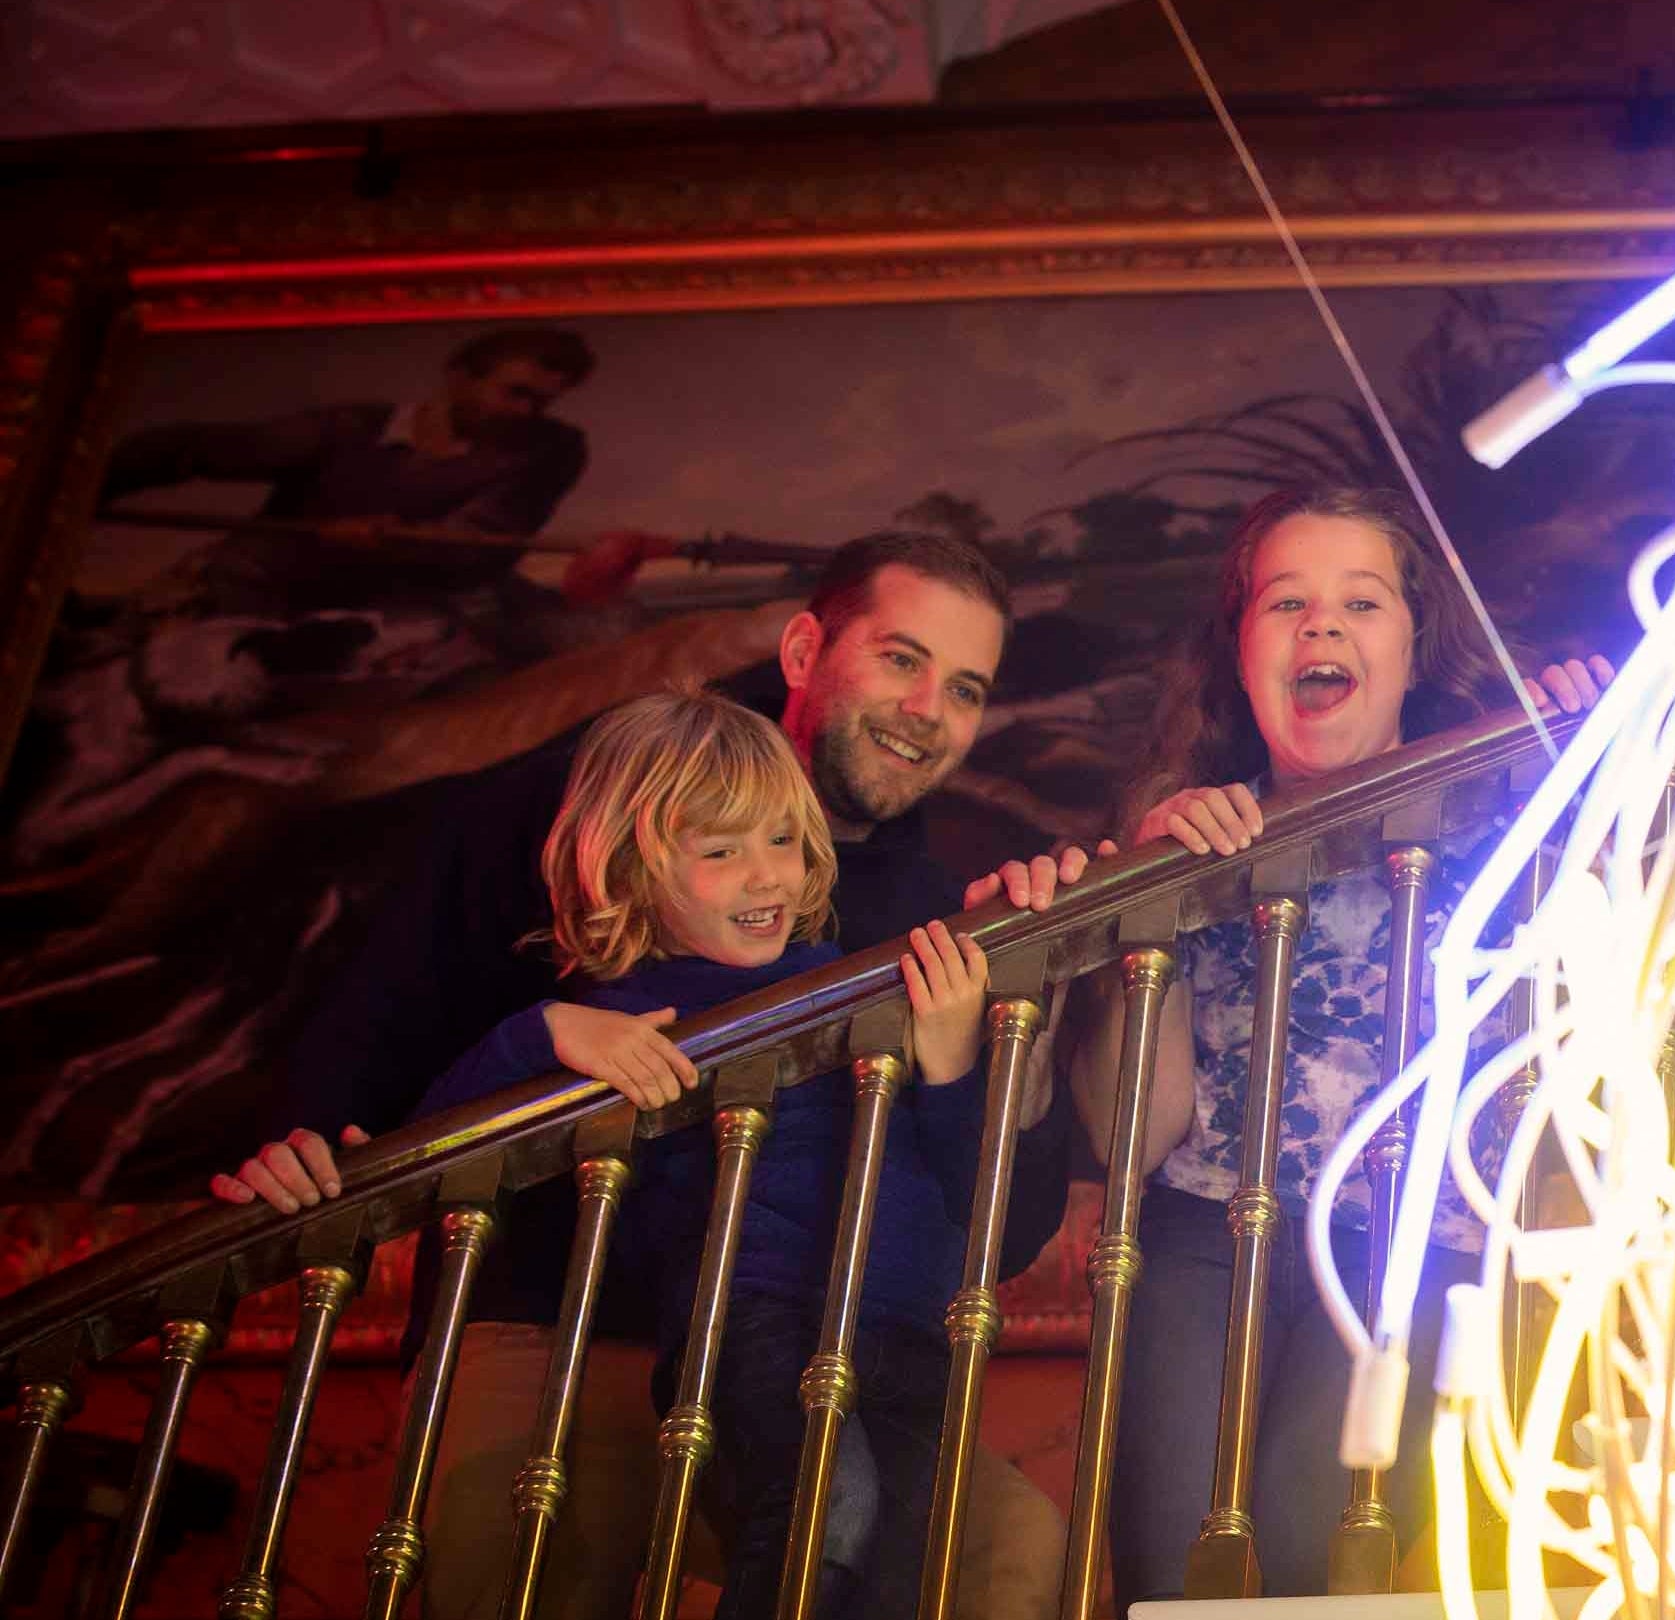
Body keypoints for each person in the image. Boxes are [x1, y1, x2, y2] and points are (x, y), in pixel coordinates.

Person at [213, 528, 1087, 1620]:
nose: (927, 709)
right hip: (556, 1323)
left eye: (964, 688)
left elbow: (995, 1227)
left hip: (804, 1345)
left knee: (1001, 1549)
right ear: (806, 647)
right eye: (901, 660)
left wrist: (1017, 1036)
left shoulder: (940, 915)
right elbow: (381, 1025)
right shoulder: (581, 794)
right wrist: (313, 1135)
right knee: (513, 1560)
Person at [1051, 486, 1609, 1604]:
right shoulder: (1193, 830)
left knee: (1315, 1549)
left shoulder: (1504, 813)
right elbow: (1133, 1131)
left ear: (1411, 647)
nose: (1321, 627)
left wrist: (1608, 790)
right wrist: (1153, 907)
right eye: (1285, 603)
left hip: (1416, 1240)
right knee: (1172, 1579)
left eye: (1361, 601)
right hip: (1204, 1232)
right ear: (1244, 651)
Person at [408, 690, 1010, 1620]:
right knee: (826, 1513)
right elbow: (434, 1155)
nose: (766, 876)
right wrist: (546, 1032)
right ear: (630, 872)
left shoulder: (860, 978)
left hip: (907, 1321)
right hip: (755, 1318)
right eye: (721, 853)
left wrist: (954, 1060)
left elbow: (967, 1180)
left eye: (781, 839)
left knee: (903, 1566)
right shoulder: (636, 1011)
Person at [99, 325, 603, 620]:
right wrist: (91, 490)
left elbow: (476, 546)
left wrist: (392, 539)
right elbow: (196, 450)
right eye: (515, 393)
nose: (527, 413)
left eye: (542, 402)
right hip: (259, 590)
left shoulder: (548, 451)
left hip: (401, 613)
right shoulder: (349, 427)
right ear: (459, 377)